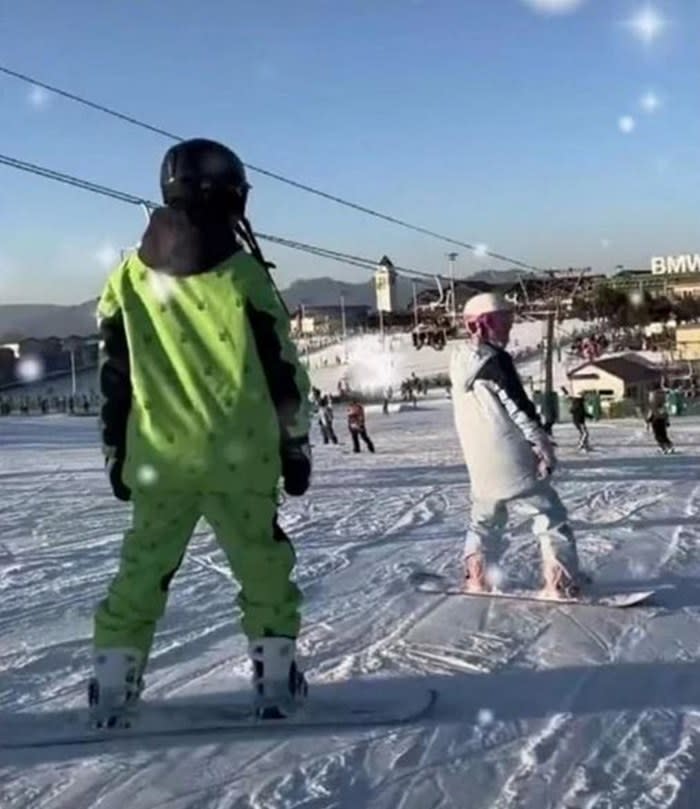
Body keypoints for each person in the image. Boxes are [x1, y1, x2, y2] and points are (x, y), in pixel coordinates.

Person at [92, 138, 312, 727]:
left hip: (160, 457)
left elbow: (114, 377)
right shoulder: (242, 274)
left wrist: (116, 449)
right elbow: (281, 368)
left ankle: (114, 684)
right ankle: (273, 678)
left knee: (143, 567)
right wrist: (295, 442)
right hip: (242, 454)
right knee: (262, 565)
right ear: (228, 194)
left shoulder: (127, 279)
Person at [450, 293, 582, 597]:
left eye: (509, 321)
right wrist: (542, 445)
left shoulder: (459, 361)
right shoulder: (494, 361)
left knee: (485, 518)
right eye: (501, 322)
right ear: (481, 325)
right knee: (549, 515)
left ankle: (477, 577)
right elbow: (519, 408)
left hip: (480, 461)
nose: (507, 330)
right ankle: (559, 581)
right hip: (511, 455)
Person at [647, 385, 674, 454]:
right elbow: (665, 411)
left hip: (655, 419)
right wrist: (667, 420)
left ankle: (664, 447)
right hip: (662, 419)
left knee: (658, 435)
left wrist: (648, 419)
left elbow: (652, 409)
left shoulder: (653, 397)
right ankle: (669, 446)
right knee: (663, 434)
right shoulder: (664, 398)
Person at [561, 386, 590, 452]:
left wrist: (564, 390)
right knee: (585, 433)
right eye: (585, 395)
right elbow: (575, 410)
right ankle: (581, 445)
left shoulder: (579, 402)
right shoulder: (578, 402)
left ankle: (585, 445)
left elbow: (568, 397)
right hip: (578, 420)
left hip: (580, 420)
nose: (587, 397)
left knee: (584, 433)